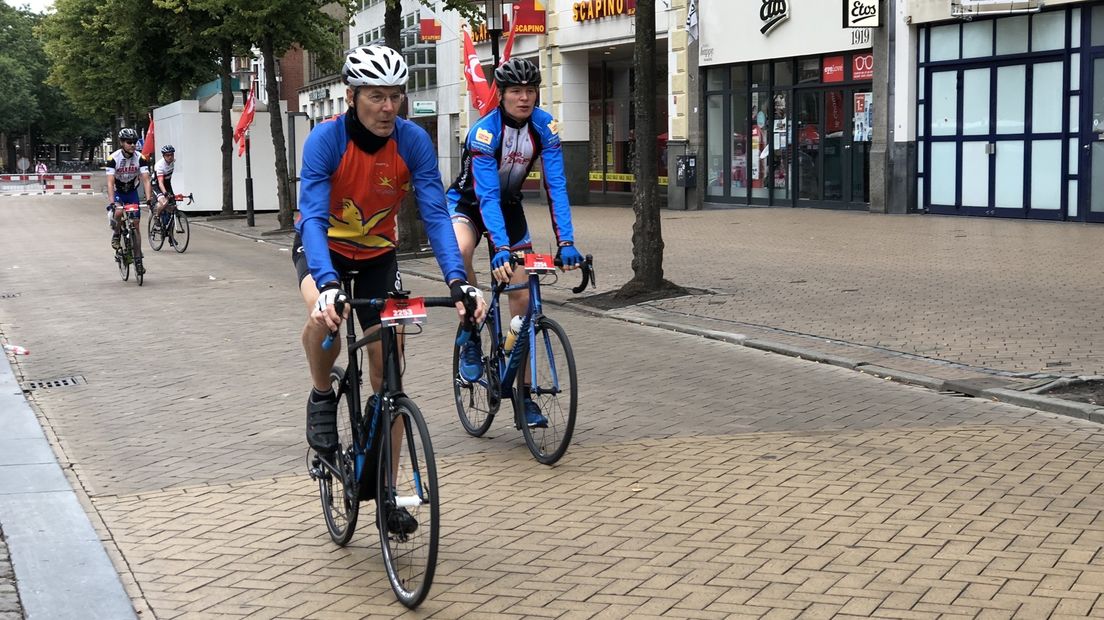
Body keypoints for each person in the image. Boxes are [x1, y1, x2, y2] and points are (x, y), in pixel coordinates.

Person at [295, 45, 486, 472]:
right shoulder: (327, 140)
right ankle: (321, 393)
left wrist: (459, 280)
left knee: (391, 371)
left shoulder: (412, 140)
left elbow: (436, 215)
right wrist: (327, 286)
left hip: (378, 255)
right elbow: (310, 216)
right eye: (375, 96)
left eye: (395, 96)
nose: (387, 107)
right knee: (323, 319)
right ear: (351, 97)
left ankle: (390, 491)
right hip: (323, 248)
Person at [445, 57, 585, 429]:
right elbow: (486, 196)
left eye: (530, 91)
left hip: (508, 208)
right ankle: (471, 333)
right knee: (461, 250)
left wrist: (566, 241)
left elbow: (556, 185)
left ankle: (524, 396)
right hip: (470, 204)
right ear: (502, 95)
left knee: (522, 304)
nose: (524, 98)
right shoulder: (484, 133)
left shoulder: (545, 128)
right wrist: (500, 248)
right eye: (515, 91)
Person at [104, 128, 152, 275]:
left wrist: (149, 199)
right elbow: (110, 183)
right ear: (122, 143)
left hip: (131, 192)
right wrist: (113, 202)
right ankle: (117, 234)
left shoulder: (141, 158)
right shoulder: (113, 159)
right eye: (129, 142)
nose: (133, 145)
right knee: (118, 212)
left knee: (136, 225)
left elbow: (146, 179)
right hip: (119, 191)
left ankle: (138, 260)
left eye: (135, 142)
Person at [151, 145, 176, 225]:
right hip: (157, 184)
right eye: (167, 155)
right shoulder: (160, 166)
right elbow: (160, 183)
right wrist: (165, 193)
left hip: (167, 183)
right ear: (163, 156)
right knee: (164, 202)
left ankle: (170, 234)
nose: (170, 157)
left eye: (171, 154)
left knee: (173, 205)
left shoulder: (173, 161)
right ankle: (156, 216)